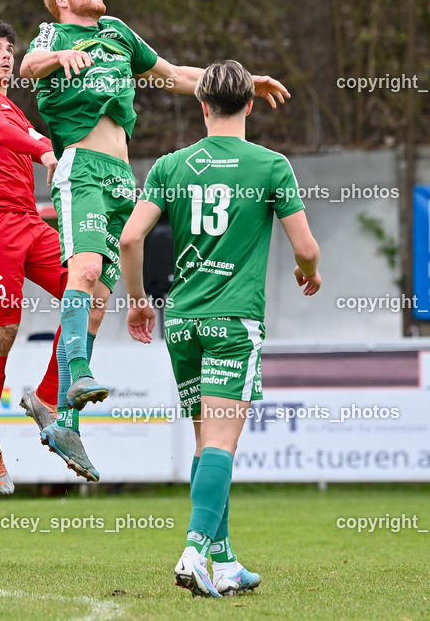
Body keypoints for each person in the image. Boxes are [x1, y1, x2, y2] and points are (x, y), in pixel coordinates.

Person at [19, 0, 290, 460]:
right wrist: (60, 55)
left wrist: (244, 82)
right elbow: (28, 66)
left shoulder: (117, 32)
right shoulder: (54, 34)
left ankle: (63, 419)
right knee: (86, 270)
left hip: (123, 178)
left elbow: (176, 76)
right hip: (81, 167)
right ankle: (78, 375)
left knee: (99, 297)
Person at [120, 60, 321, 597]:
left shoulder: (169, 166)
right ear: (249, 105)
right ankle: (194, 550)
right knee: (223, 444)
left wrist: (139, 302)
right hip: (234, 321)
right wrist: (310, 272)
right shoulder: (271, 166)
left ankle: (225, 560)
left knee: (206, 441)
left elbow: (130, 241)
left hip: (181, 321)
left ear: (202, 106)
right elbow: (304, 247)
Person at [0, 20, 95, 490]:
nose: (7, 56)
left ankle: (49, 397)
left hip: (30, 222)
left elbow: (22, 132)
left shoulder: (12, 105)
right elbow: (5, 134)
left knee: (90, 289)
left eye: (10, 49)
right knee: (4, 331)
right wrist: (43, 149)